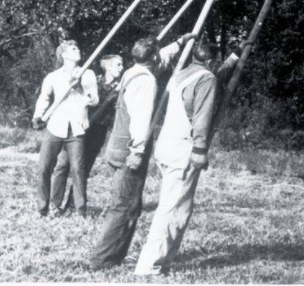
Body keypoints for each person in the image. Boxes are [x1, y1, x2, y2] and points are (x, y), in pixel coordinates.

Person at [134, 39, 239, 279]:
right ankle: (149, 266)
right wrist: (200, 150)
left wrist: (235, 57)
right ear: (211, 62)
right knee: (172, 210)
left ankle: (161, 261)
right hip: (184, 150)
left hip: (166, 147)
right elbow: (201, 116)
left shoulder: (182, 73)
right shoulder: (206, 79)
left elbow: (213, 79)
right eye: (218, 62)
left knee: (177, 208)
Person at [89, 33, 195, 271]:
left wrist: (179, 43)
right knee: (125, 206)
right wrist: (137, 151)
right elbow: (141, 118)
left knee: (127, 205)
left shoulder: (132, 71)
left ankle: (111, 256)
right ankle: (103, 259)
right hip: (130, 149)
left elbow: (160, 59)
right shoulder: (146, 82)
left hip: (116, 146)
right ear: (153, 56)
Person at [32, 39, 99, 217]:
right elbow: (44, 99)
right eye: (73, 48)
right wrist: (37, 116)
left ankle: (80, 210)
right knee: (44, 167)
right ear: (64, 55)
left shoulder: (88, 74)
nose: (78, 50)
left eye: (78, 47)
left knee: (78, 169)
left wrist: (81, 89)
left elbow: (95, 100)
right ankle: (42, 208)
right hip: (55, 127)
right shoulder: (53, 77)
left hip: (77, 128)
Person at [51, 53, 125, 214]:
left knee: (82, 168)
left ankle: (72, 205)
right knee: (63, 165)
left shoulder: (121, 88)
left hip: (98, 131)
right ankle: (54, 205)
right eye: (118, 64)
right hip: (78, 127)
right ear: (108, 67)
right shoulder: (92, 80)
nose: (122, 67)